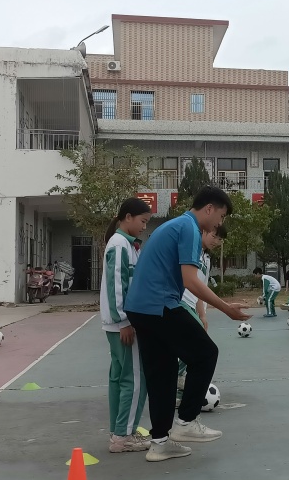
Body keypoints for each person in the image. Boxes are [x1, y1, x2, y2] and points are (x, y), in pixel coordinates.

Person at [124, 186, 251, 463]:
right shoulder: (190, 228)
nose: (220, 223)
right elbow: (191, 280)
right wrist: (226, 308)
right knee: (206, 353)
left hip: (139, 308)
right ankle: (186, 422)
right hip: (159, 305)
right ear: (209, 209)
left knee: (163, 374)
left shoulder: (176, 225)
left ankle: (159, 443)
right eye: (221, 216)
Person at [99, 197, 152, 453]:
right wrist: (124, 321)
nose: (144, 226)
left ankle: (118, 431)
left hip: (117, 323)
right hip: (123, 323)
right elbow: (116, 284)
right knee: (135, 380)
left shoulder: (126, 244)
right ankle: (124, 435)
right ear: (128, 217)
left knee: (119, 379)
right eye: (143, 221)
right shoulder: (120, 244)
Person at [176, 224, 227, 403]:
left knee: (194, 348)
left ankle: (180, 389)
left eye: (220, 239)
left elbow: (201, 288)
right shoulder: (192, 251)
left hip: (192, 306)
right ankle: (177, 381)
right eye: (214, 236)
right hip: (180, 302)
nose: (216, 241)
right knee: (200, 347)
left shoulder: (206, 257)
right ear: (204, 231)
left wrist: (202, 314)